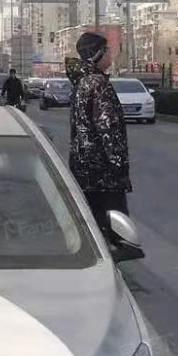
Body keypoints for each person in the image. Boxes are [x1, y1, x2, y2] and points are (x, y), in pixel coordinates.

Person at [67, 32, 131, 240]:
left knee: (94, 228)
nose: (110, 55)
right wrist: (119, 165)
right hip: (104, 174)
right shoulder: (98, 84)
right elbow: (108, 128)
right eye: (107, 51)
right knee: (117, 233)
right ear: (97, 54)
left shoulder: (81, 83)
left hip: (84, 169)